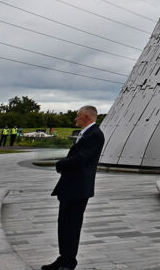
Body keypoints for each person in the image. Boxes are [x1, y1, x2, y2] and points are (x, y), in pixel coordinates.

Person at [43, 105, 104, 270]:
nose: (75, 118)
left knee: (72, 226)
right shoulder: (85, 134)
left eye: (77, 116)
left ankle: (70, 263)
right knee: (64, 225)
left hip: (79, 188)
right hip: (70, 187)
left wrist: (60, 164)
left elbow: (81, 158)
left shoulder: (95, 135)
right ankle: (64, 258)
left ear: (85, 116)